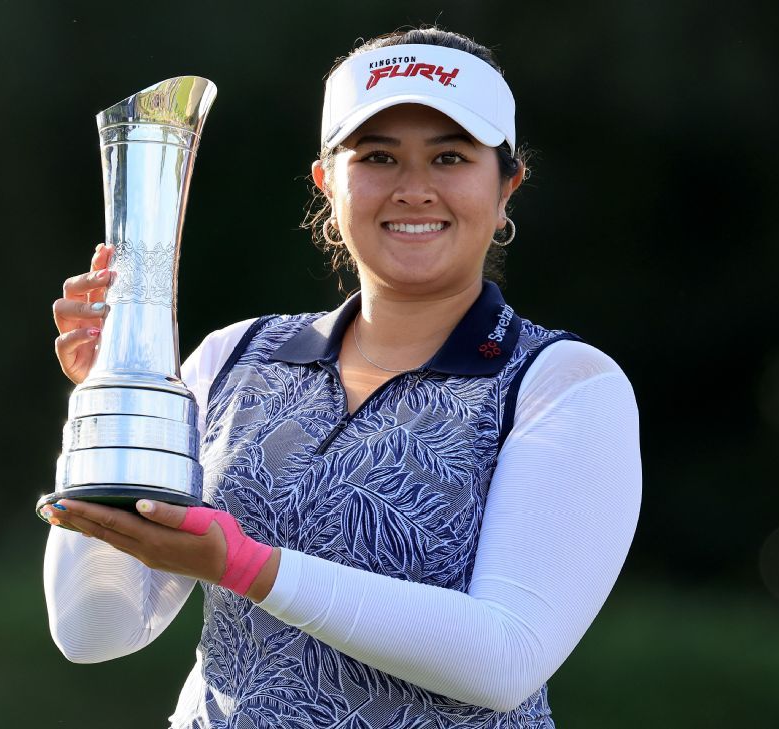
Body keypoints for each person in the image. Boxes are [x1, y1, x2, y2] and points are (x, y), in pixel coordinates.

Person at [43, 27, 642, 728]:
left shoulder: (562, 384)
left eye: (449, 157)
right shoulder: (233, 358)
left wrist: (250, 566)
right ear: (328, 182)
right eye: (379, 157)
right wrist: (103, 405)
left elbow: (504, 658)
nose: (414, 190)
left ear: (506, 185)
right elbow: (94, 631)